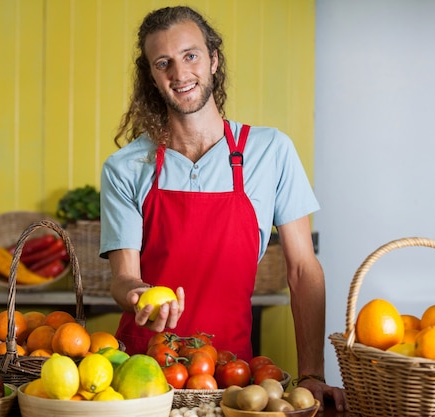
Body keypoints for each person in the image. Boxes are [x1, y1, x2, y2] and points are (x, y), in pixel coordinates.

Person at [99, 5, 347, 411]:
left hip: (233, 373)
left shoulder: (270, 151)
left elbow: (303, 269)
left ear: (213, 59)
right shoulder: (126, 166)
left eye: (190, 55)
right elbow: (123, 278)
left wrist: (312, 375)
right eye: (164, 63)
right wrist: (137, 293)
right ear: (151, 76)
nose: (180, 74)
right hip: (142, 374)